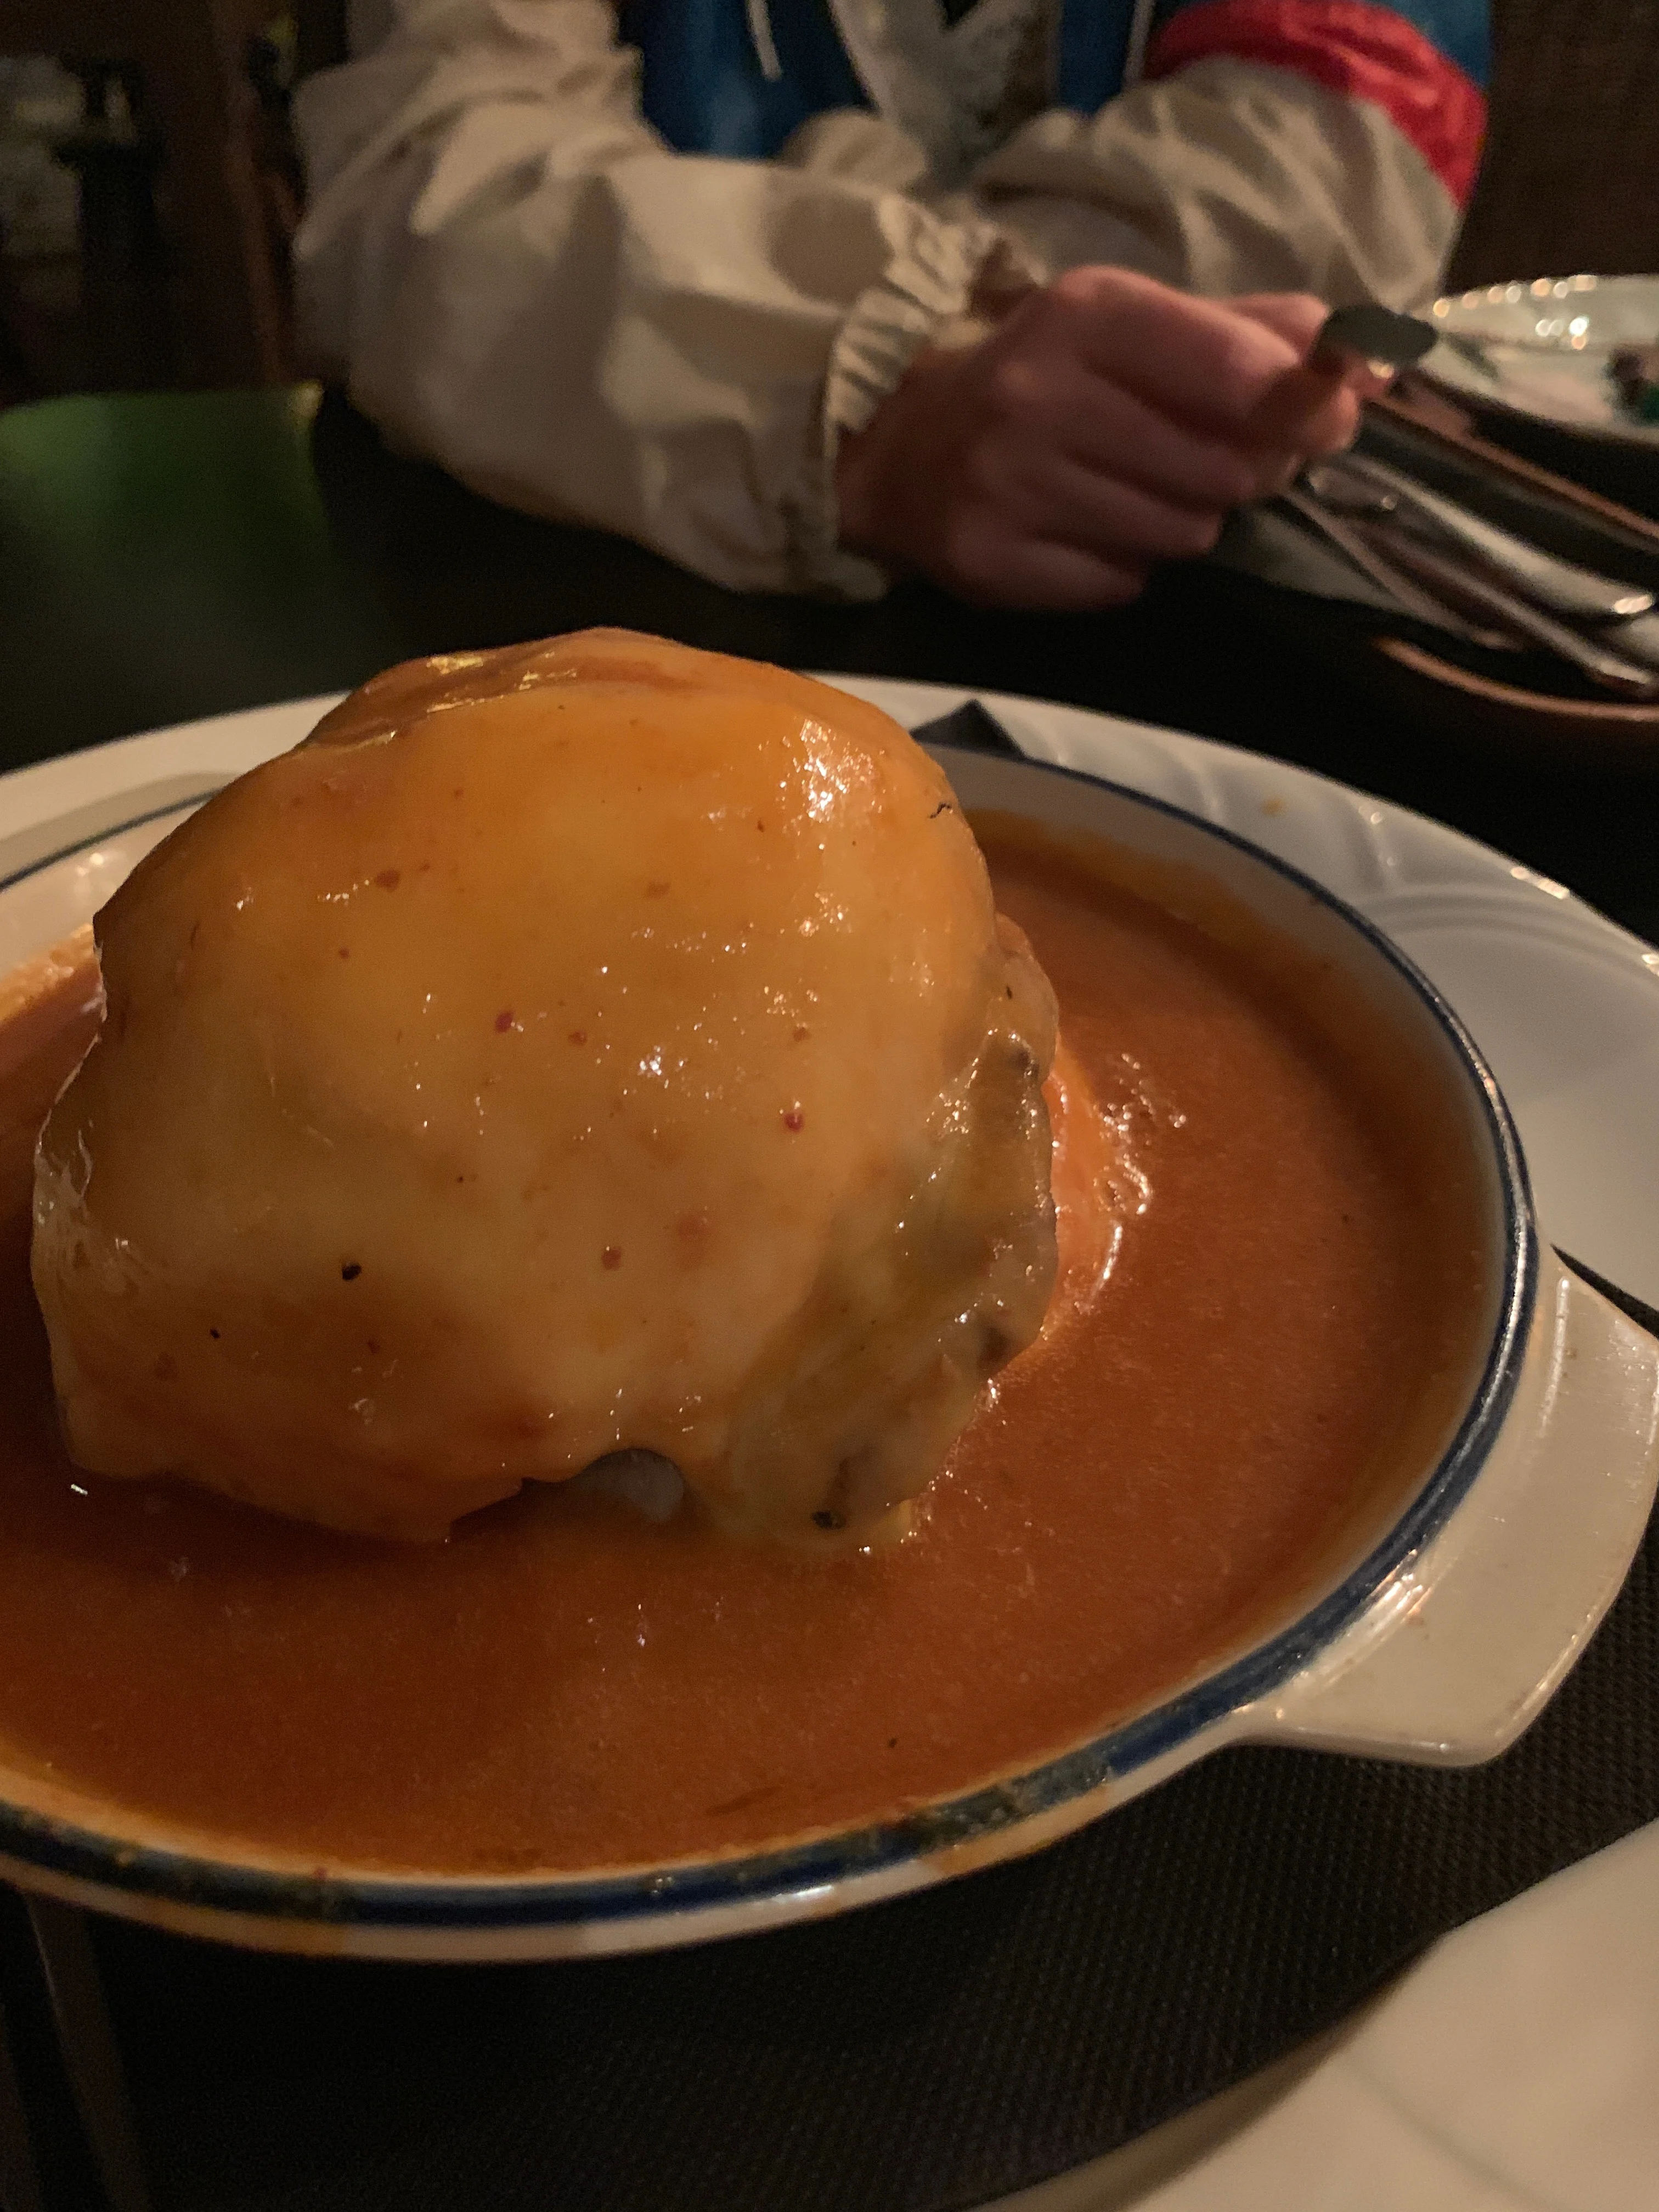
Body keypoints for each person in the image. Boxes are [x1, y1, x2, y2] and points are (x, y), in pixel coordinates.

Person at [292, 0, 1489, 608]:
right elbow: (420, 191)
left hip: (1196, 645)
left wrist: (817, 289)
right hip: (583, 613)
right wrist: (884, 395)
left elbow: (1311, 198)